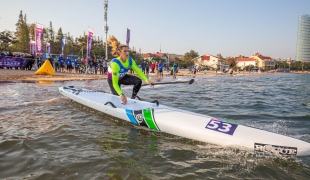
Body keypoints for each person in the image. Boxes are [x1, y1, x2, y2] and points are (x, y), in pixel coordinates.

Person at [107, 35, 153, 104]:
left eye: (128, 51)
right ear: (119, 52)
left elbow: (138, 71)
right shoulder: (115, 63)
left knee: (138, 81)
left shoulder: (130, 60)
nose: (127, 53)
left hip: (122, 77)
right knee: (117, 98)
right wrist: (121, 94)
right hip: (113, 80)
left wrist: (147, 80)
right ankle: (115, 99)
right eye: (125, 51)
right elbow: (115, 83)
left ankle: (133, 99)